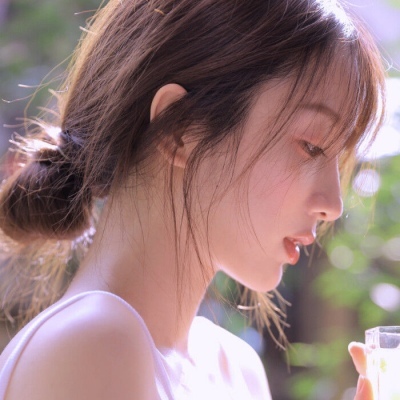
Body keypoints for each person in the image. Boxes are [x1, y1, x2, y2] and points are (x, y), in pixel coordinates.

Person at [0, 0, 385, 399]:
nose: (333, 205)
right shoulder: (92, 343)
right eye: (312, 145)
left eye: (339, 158)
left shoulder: (236, 368)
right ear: (182, 130)